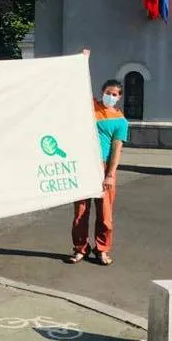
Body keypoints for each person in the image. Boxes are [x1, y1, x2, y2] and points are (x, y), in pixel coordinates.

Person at [69, 78, 129, 267]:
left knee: (105, 213)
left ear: (119, 97)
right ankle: (80, 248)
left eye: (114, 94)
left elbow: (116, 149)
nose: (110, 96)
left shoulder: (121, 121)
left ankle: (102, 249)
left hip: (104, 167)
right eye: (107, 93)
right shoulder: (90, 108)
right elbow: (75, 91)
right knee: (81, 211)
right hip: (84, 164)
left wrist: (110, 174)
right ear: (101, 92)